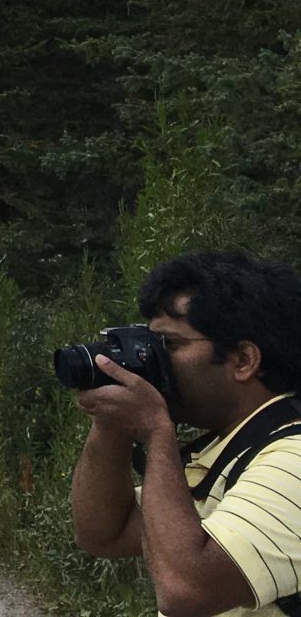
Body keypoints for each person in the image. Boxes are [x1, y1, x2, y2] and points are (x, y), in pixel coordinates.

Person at [71, 251, 301, 617]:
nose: (153, 359)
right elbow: (102, 533)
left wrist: (156, 431)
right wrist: (111, 422)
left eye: (169, 346)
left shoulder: (292, 461)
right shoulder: (230, 450)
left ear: (243, 360)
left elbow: (185, 590)